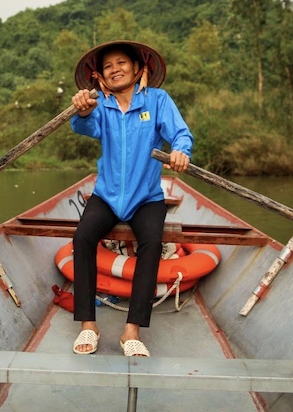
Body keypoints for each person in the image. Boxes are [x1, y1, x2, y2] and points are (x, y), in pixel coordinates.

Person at [69, 40, 193, 357]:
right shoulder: (101, 106)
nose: (115, 69)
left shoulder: (157, 100)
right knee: (82, 237)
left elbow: (180, 132)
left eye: (122, 63)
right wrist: (82, 111)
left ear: (139, 69)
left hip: (146, 196)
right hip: (107, 195)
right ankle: (88, 325)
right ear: (99, 76)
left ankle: (132, 330)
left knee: (151, 242)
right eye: (108, 66)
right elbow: (85, 126)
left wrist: (181, 151)